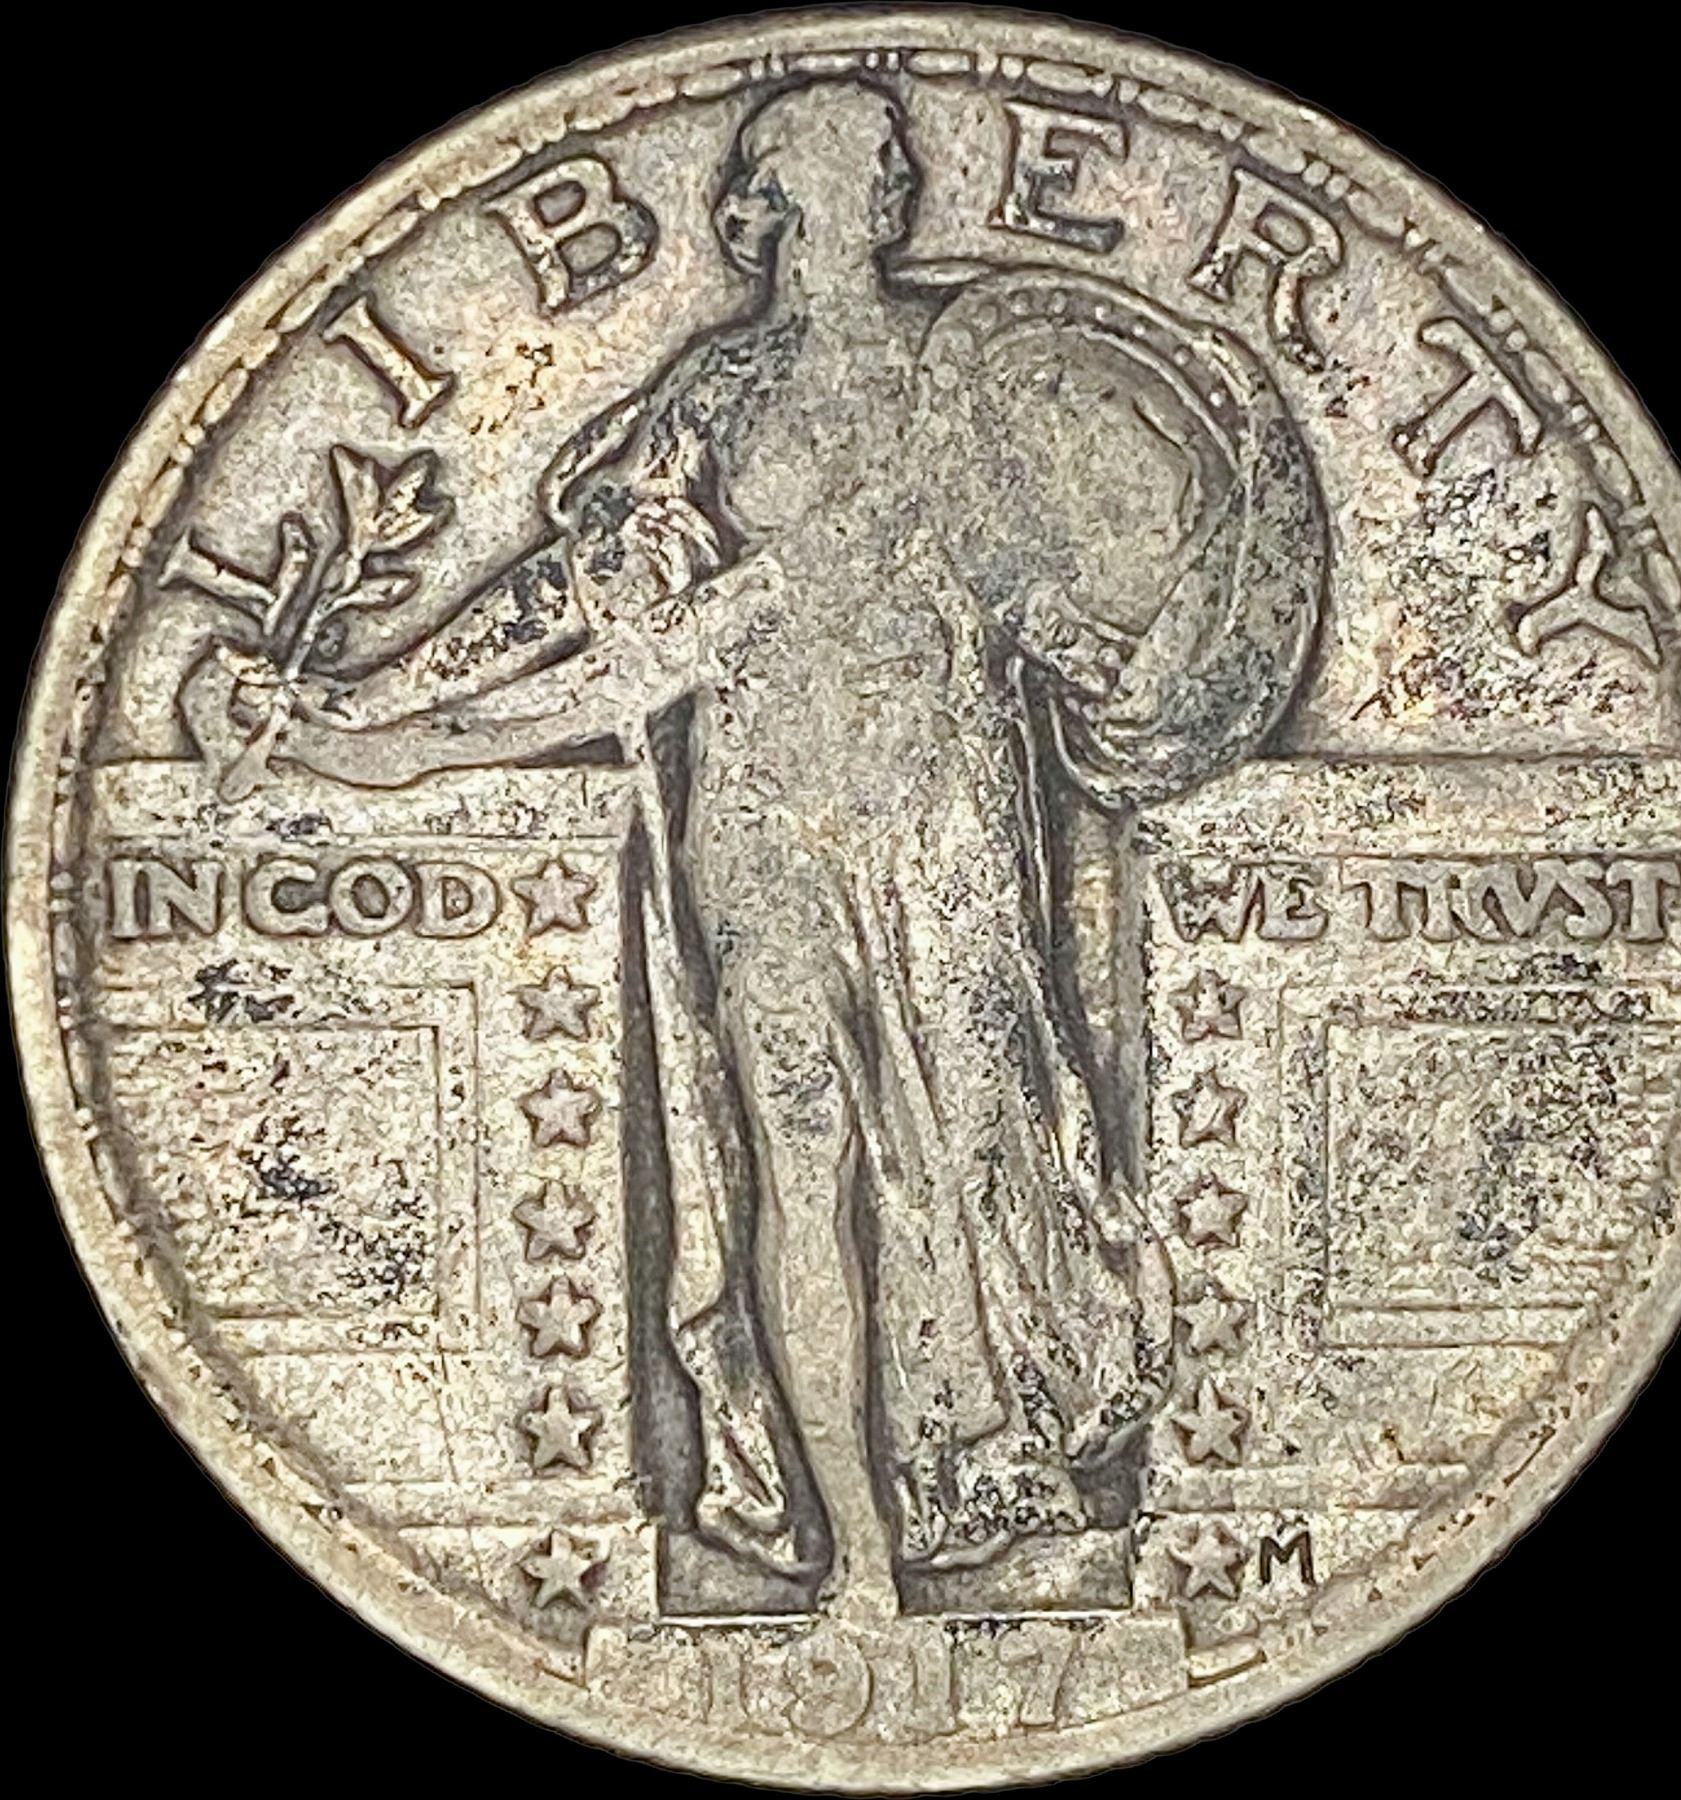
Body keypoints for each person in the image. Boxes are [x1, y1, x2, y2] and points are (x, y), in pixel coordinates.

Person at [178, 78, 1325, 1618]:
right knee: (798, 1152)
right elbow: (570, 603)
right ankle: (853, 1552)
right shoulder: (715, 393)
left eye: (885, 164)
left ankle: (975, 1476)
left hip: (943, 813)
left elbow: (1082, 589)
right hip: (762, 812)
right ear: (770, 203)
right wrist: (365, 698)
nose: (874, 185)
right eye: (837, 165)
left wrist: (1137, 654)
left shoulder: (972, 370)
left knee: (978, 1145)